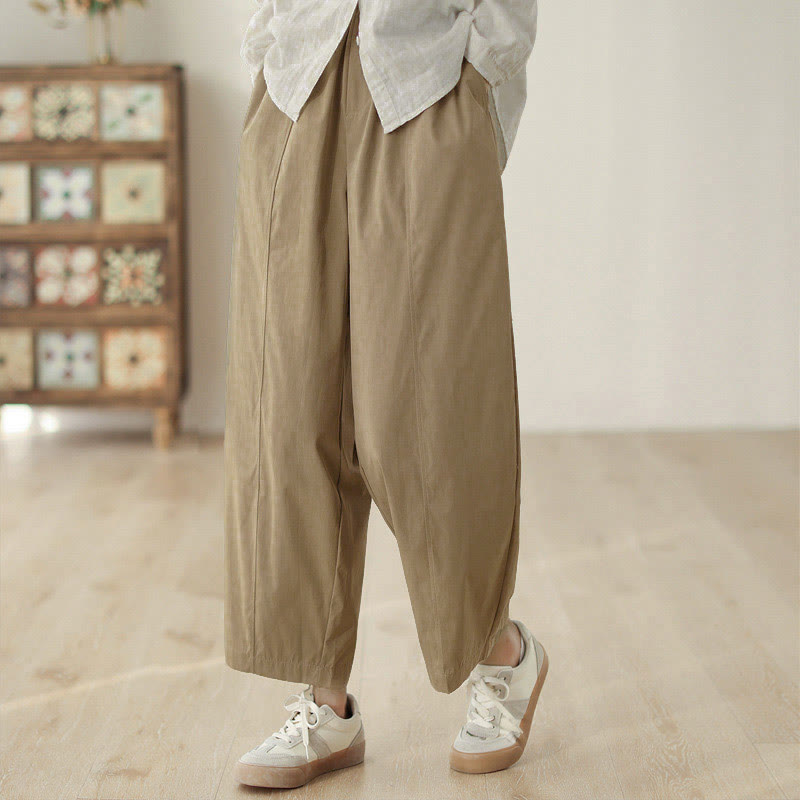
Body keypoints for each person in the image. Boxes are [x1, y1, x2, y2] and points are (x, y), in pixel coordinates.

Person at [223, 0, 545, 789]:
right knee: (288, 408)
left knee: (427, 407)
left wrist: (481, 76)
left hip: (425, 88)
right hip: (298, 90)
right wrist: (267, 48)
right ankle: (323, 703)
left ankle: (499, 652)